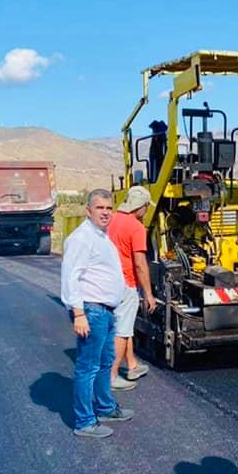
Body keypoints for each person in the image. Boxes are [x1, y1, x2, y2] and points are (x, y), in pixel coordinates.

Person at [60, 189, 135, 438]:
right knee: (88, 367)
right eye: (100, 207)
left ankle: (104, 407)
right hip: (91, 311)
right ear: (88, 210)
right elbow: (71, 276)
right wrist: (78, 313)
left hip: (105, 311)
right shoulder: (82, 238)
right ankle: (84, 422)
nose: (105, 212)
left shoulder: (101, 236)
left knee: (104, 363)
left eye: (108, 208)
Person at [107, 185, 157, 389]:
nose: (146, 210)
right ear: (140, 206)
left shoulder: (111, 220)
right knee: (122, 331)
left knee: (125, 328)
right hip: (126, 283)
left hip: (109, 282)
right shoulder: (136, 227)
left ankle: (132, 365)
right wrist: (149, 293)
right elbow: (139, 263)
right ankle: (111, 377)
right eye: (146, 206)